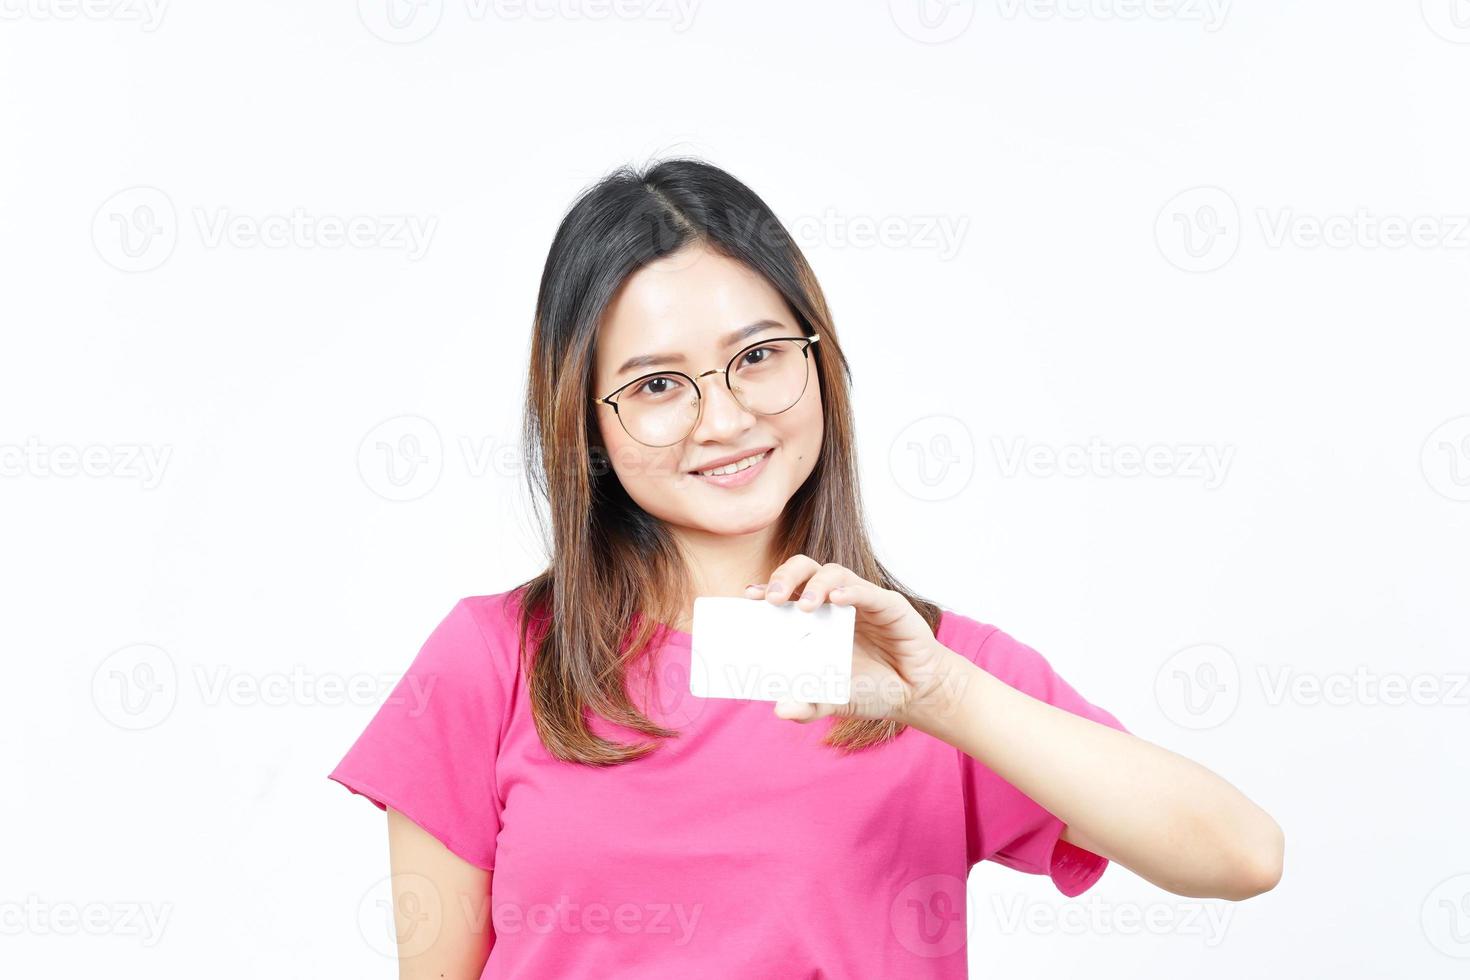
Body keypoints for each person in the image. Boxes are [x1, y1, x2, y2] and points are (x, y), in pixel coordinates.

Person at [328, 158, 1284, 978]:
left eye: (759, 356)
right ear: (585, 420)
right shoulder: (492, 662)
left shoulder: (927, 668)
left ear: (820, 363)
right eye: (657, 385)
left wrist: (941, 695)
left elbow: (1242, 854)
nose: (724, 418)